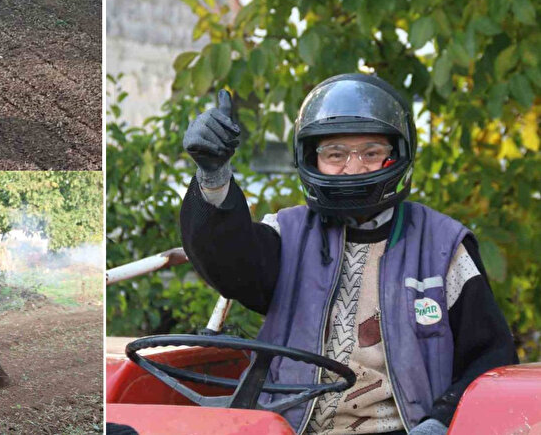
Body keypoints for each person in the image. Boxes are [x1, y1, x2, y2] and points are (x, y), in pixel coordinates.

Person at [180, 74, 517, 435]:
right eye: (336, 154)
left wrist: (439, 424)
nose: (353, 168)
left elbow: (491, 361)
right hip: (288, 427)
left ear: (397, 155)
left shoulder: (444, 245)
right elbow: (227, 263)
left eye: (371, 153)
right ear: (312, 159)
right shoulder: (287, 234)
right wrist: (213, 176)